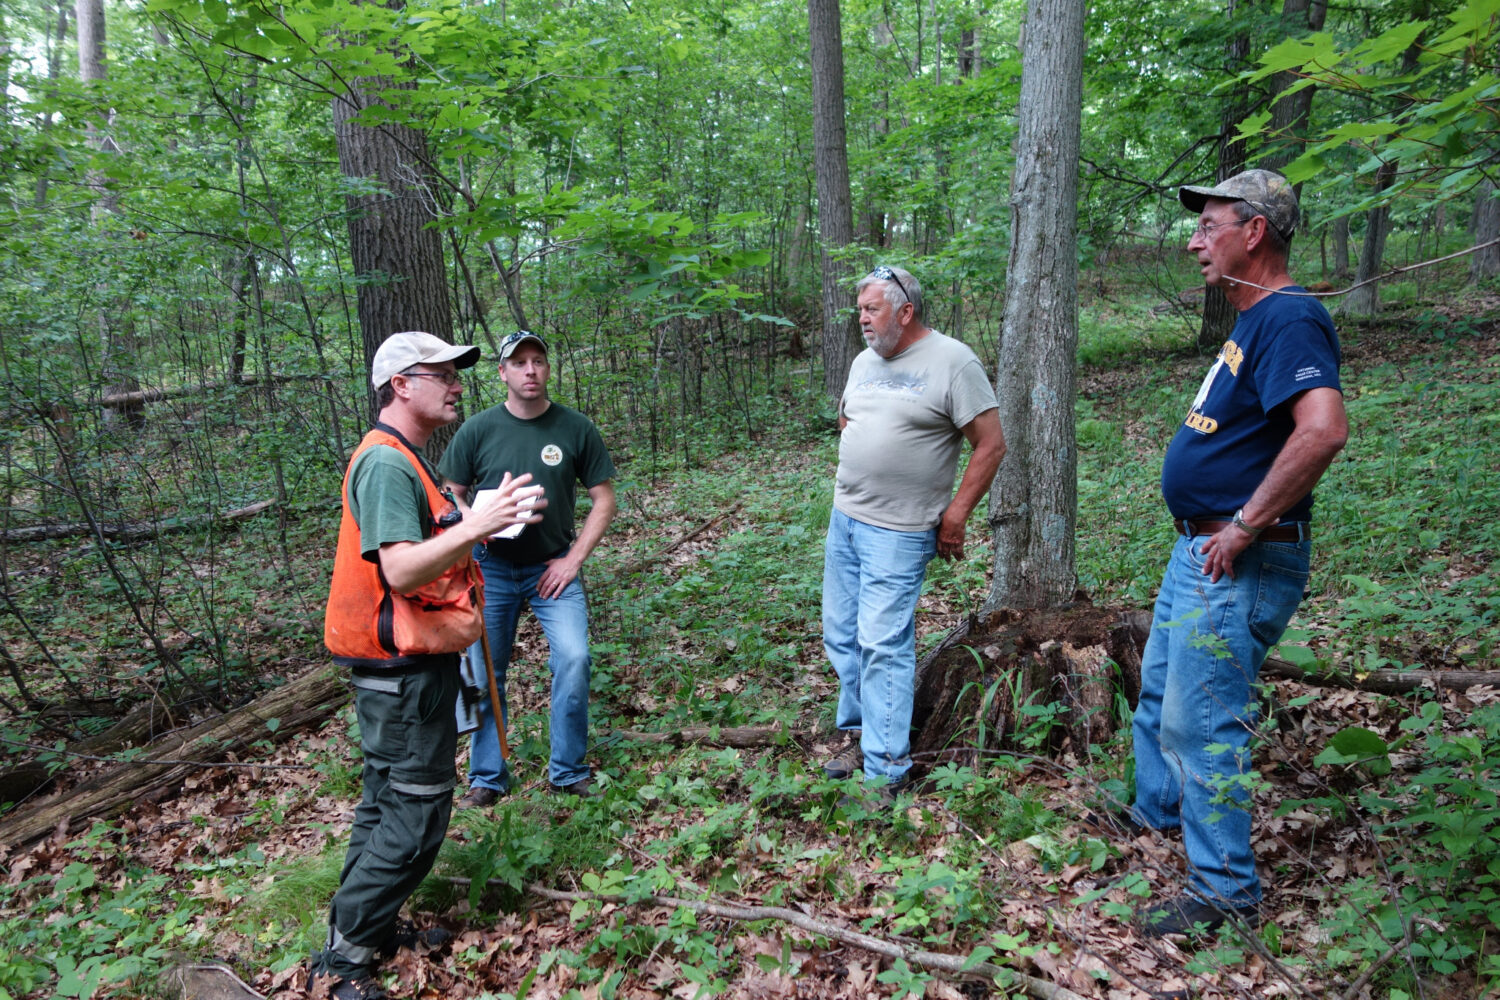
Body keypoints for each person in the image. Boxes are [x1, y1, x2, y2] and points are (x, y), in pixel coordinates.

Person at [1129, 169, 1348, 936]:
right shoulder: (1251, 320)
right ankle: (1154, 815)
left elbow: (1321, 429)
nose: (1195, 241)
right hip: (1200, 550)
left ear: (1254, 232)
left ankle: (1224, 892)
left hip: (1239, 557)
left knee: (1203, 720)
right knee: (1160, 688)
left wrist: (1246, 524)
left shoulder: (1290, 319)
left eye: (1210, 226)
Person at [314, 331, 545, 1000]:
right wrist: (475, 529)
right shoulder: (386, 463)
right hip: (402, 672)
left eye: (454, 373)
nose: (455, 385)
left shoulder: (405, 457)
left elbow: (425, 546)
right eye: (440, 374)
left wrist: (484, 522)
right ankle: (342, 963)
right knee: (415, 815)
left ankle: (367, 930)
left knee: (384, 803)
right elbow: (398, 566)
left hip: (407, 664)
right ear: (400, 386)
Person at [822, 265, 1006, 796]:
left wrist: (956, 514)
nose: (862, 318)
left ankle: (887, 772)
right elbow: (849, 421)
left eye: (871, 309)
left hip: (899, 532)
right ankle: (858, 735)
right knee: (842, 635)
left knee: (883, 644)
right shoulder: (863, 361)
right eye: (859, 309)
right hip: (846, 521)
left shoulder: (953, 361)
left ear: (905, 312)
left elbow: (991, 444)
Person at [440, 329, 617, 803]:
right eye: (519, 363)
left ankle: (567, 770)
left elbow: (604, 499)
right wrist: (472, 521)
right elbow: (450, 489)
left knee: (574, 658)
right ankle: (487, 778)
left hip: (551, 570)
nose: (530, 370)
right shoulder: (477, 429)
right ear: (502, 373)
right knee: (486, 671)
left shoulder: (574, 427)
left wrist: (572, 560)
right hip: (490, 569)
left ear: (548, 368)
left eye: (538, 361)